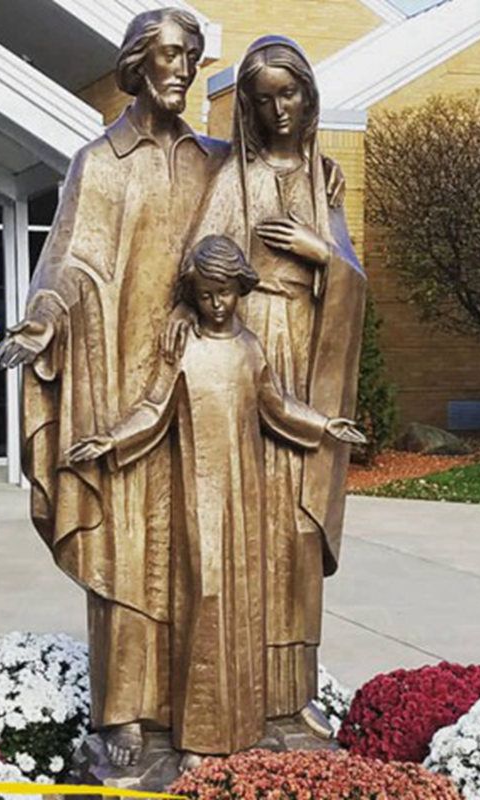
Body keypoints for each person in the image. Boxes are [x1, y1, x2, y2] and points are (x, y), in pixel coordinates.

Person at [0, 8, 229, 768]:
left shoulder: (214, 162)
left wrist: (317, 180)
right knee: (126, 550)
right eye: (166, 55)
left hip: (197, 388)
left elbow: (261, 217)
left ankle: (198, 709)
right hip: (119, 383)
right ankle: (124, 716)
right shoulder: (102, 161)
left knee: (196, 551)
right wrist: (41, 323)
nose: (181, 69)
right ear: (134, 64)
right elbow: (71, 262)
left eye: (190, 56)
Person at [66, 235, 364, 768]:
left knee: (244, 607)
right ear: (194, 294)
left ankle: (242, 728)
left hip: (246, 497)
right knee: (204, 600)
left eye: (225, 292)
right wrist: (110, 440)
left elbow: (277, 406)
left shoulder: (249, 348)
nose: (217, 304)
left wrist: (326, 425)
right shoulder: (185, 351)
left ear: (240, 290)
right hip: (197, 495)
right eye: (206, 295)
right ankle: (198, 740)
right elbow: (154, 411)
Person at [187, 36, 367, 736]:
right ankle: (241, 684)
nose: (277, 110)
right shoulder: (233, 180)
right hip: (247, 357)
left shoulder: (324, 178)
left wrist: (321, 255)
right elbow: (198, 261)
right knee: (248, 529)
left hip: (308, 356)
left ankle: (294, 690)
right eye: (262, 100)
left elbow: (351, 274)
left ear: (308, 95)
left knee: (297, 530)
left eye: (287, 94)